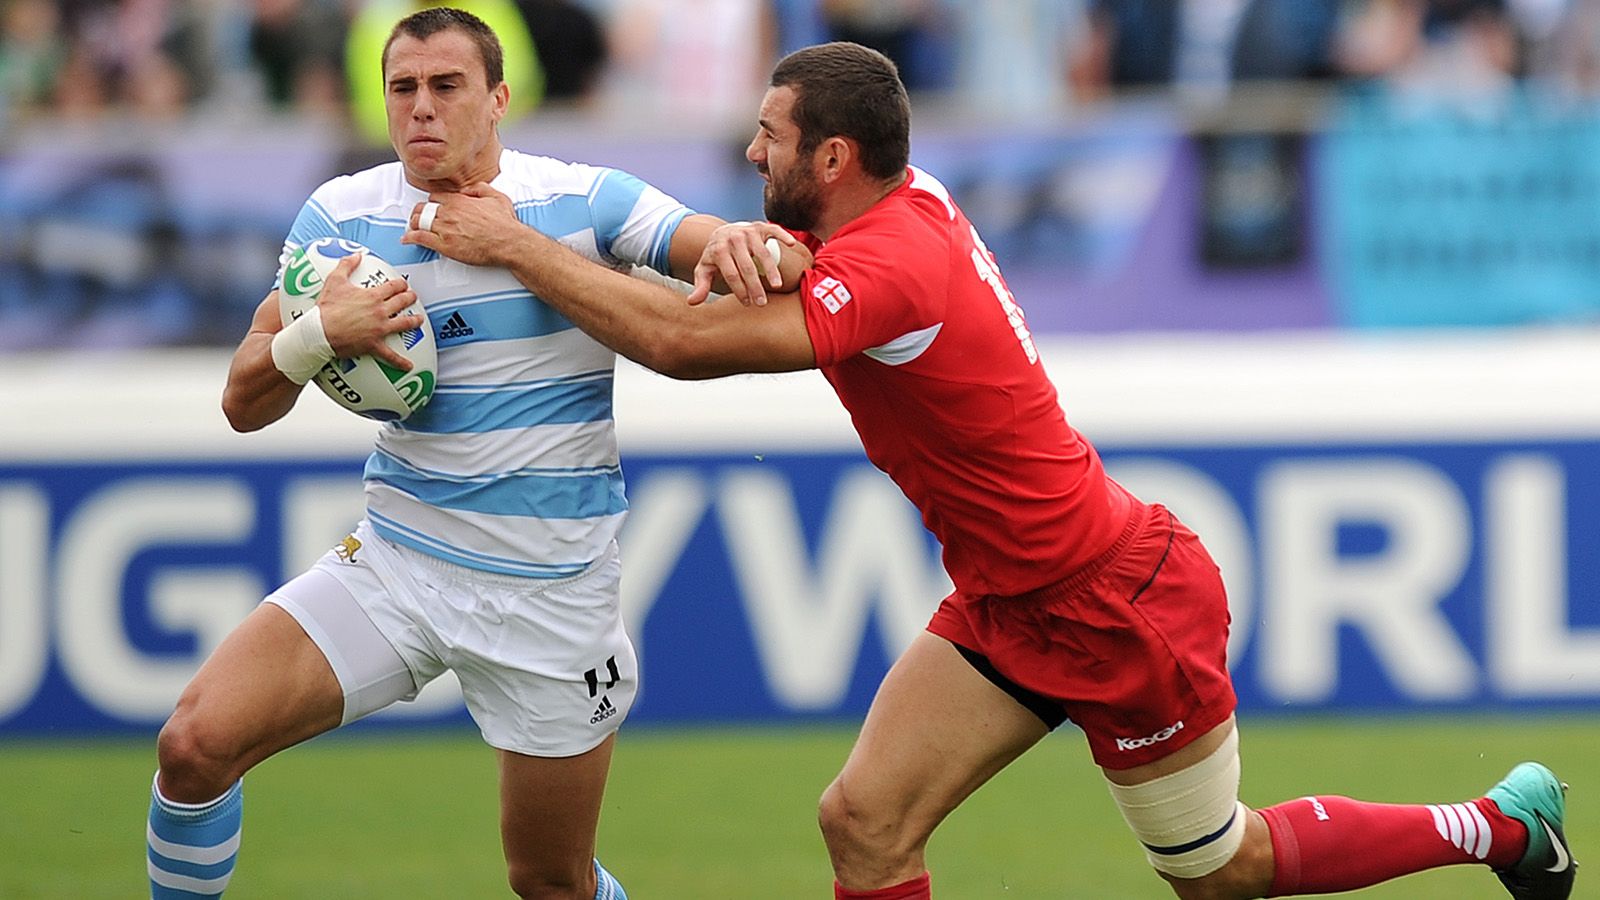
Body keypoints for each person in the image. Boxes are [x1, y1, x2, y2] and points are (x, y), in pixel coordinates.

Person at [403, 41, 1577, 900]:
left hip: (1113, 601)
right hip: (1011, 598)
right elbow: (791, 263)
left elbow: (676, 344)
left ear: (832, 153)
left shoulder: (891, 267)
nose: (749, 151)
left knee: (1221, 869)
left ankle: (1494, 825)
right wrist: (767, 238)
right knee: (863, 825)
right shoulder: (891, 210)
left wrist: (515, 244)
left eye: (768, 137)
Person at [144, 8, 767, 899]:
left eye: (447, 87)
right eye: (405, 89)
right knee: (194, 745)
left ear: (499, 98)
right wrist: (318, 331)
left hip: (550, 596)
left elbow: (707, 244)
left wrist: (743, 238)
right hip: (399, 563)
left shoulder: (584, 200)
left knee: (550, 882)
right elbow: (245, 401)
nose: (422, 110)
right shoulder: (343, 218)